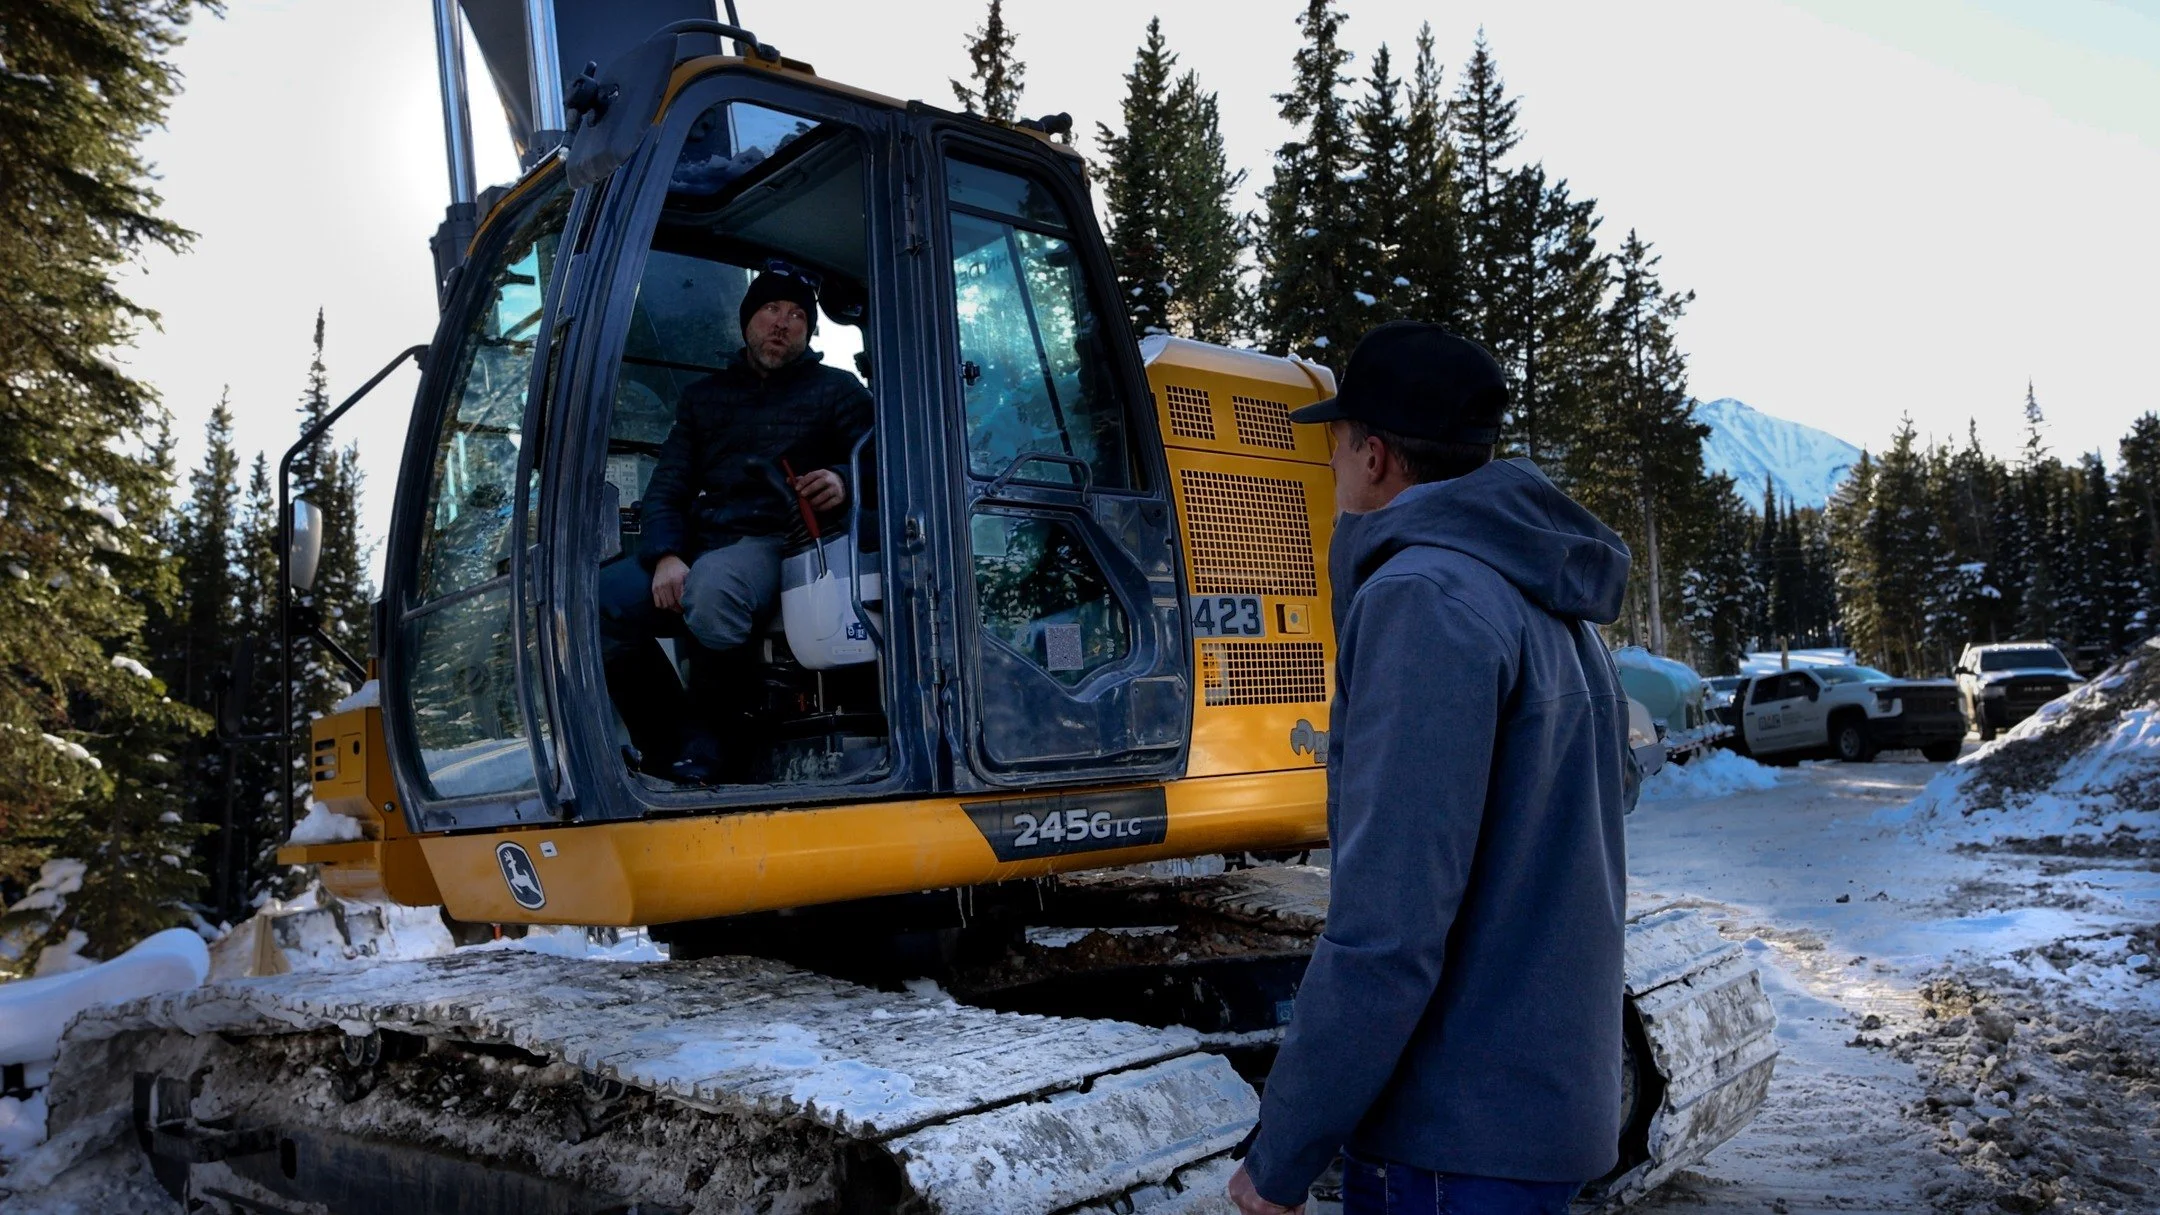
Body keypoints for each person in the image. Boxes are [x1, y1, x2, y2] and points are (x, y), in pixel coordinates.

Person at [1226, 321, 1635, 1215]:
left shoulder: (1424, 599)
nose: (1332, 473)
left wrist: (1283, 1152)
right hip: (1535, 1107)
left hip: (1452, 1133)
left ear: (1374, 457)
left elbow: (1390, 926)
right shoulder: (1546, 598)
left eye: (1335, 449)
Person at [599, 266, 873, 782]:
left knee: (714, 587)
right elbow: (668, 487)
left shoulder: (839, 392)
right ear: (747, 320)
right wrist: (665, 555)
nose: (782, 324)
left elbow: (888, 462)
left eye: (797, 316)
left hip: (786, 542)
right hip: (706, 540)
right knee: (600, 602)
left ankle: (720, 743)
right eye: (771, 309)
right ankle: (668, 741)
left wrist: (844, 480)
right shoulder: (705, 398)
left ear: (809, 333)